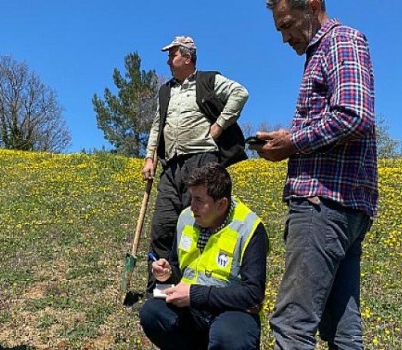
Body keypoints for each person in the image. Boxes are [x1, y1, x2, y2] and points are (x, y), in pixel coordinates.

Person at [251, 1, 378, 349]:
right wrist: (287, 137)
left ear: (312, 5)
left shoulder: (339, 41)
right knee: (343, 331)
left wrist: (292, 142)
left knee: (293, 325)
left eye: (287, 25)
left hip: (323, 204)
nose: (285, 37)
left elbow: (354, 114)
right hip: (345, 207)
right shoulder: (324, 50)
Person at [141, 35, 250, 295]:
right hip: (172, 165)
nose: (168, 60)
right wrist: (149, 157)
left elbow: (240, 93)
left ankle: (197, 287)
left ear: (187, 57)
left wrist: (218, 127)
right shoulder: (166, 90)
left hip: (202, 161)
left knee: (200, 222)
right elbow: (158, 124)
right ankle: (159, 286)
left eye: (172, 55)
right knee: (163, 224)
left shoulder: (208, 80)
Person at [139, 163, 268, 350]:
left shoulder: (249, 227)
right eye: (191, 198)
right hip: (192, 310)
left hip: (231, 311)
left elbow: (253, 294)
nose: (192, 207)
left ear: (221, 204)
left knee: (229, 338)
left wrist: (195, 295)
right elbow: (177, 266)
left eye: (199, 200)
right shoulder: (186, 218)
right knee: (152, 312)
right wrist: (167, 273)